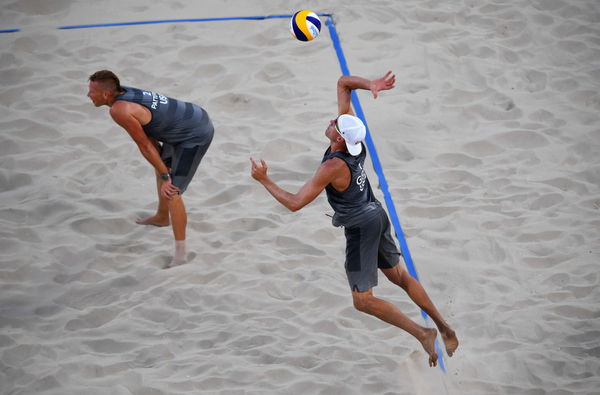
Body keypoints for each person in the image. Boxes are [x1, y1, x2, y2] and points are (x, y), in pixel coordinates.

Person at [250, 71, 458, 367]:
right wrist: (371, 84)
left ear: (337, 138)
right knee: (400, 277)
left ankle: (423, 333)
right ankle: (445, 327)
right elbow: (343, 83)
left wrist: (264, 180)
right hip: (376, 213)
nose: (332, 122)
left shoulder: (332, 166)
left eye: (335, 124)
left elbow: (295, 203)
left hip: (361, 227)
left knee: (362, 301)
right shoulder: (351, 143)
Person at [87, 70, 214, 268]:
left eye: (91, 92)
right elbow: (151, 138)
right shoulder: (123, 92)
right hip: (189, 117)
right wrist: (163, 170)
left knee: (173, 191)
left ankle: (180, 256)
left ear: (105, 95)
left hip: (194, 134)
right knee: (160, 167)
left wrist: (166, 176)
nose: (88, 95)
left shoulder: (119, 111)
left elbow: (145, 145)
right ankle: (162, 217)